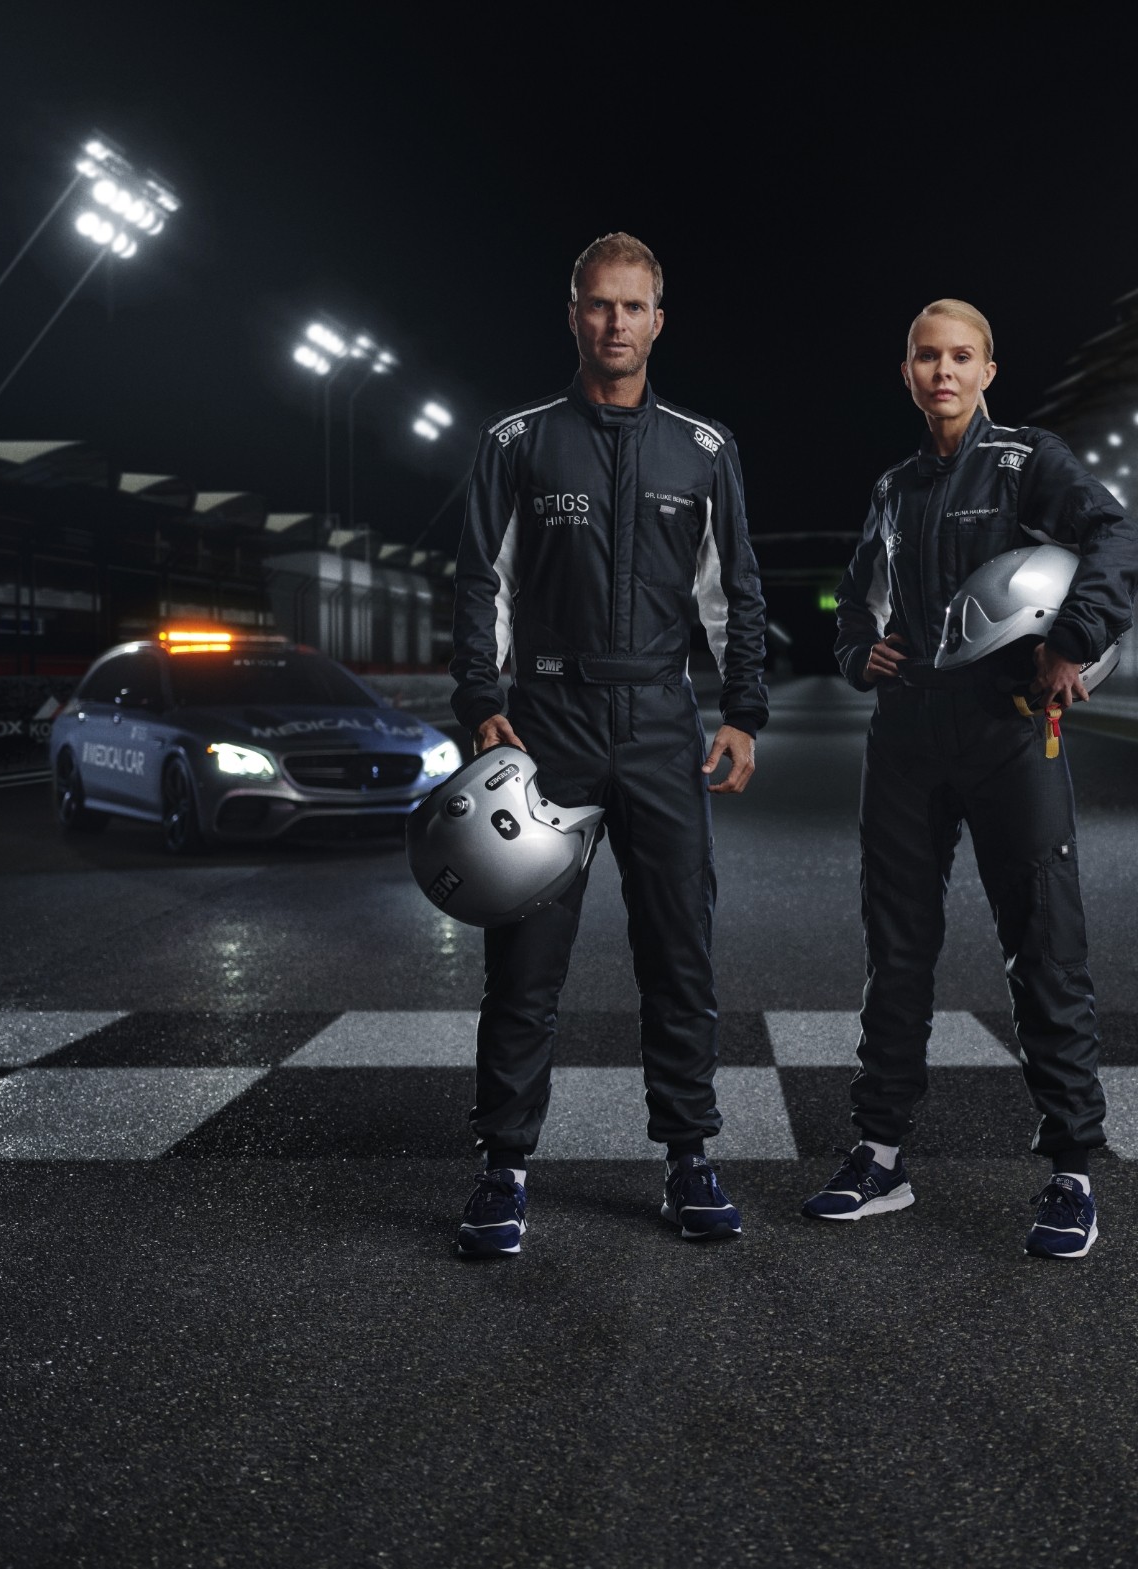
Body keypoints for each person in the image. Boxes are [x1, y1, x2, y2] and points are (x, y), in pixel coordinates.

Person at [802, 298, 1138, 1259]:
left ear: (987, 369)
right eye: (925, 355)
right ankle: (879, 1156)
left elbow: (1119, 538)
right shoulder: (894, 486)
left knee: (1044, 944)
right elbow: (855, 594)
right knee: (896, 951)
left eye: (960, 356)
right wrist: (853, 649)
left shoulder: (1029, 461)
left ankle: (1072, 1170)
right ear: (905, 370)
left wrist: (1072, 643)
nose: (941, 371)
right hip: (907, 739)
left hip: (1009, 730)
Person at [448, 233, 768, 1255]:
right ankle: (503, 1168)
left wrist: (742, 712)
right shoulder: (516, 442)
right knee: (526, 961)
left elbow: (734, 593)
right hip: (548, 730)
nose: (615, 323)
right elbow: (477, 583)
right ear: (573, 312)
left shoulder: (704, 449)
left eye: (633, 307)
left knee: (678, 951)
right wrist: (478, 699)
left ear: (658, 319)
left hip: (663, 729)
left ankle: (688, 1158)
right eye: (597, 305)